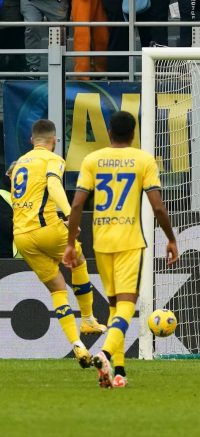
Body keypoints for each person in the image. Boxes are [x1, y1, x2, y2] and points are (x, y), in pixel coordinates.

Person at [64, 111, 178, 389]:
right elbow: (158, 207)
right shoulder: (143, 160)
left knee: (115, 306)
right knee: (127, 304)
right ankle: (104, 353)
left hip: (101, 241)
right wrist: (171, 239)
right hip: (129, 241)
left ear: (109, 133)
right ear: (133, 134)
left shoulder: (92, 160)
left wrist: (69, 243)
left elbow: (77, 205)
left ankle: (119, 371)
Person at [10, 119, 106, 368]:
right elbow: (53, 184)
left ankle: (77, 344)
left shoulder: (19, 163)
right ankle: (88, 319)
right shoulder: (53, 159)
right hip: (46, 228)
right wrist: (71, 215)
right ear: (54, 141)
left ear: (32, 140)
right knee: (78, 260)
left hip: (21, 235)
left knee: (57, 288)